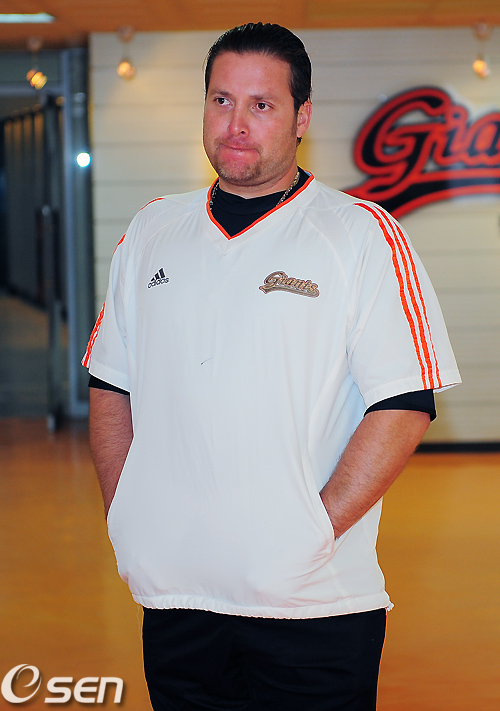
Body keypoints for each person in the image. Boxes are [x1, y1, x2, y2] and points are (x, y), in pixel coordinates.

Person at [83, 22, 460, 711]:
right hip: (177, 600)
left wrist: (311, 534)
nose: (237, 123)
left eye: (262, 105)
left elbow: (405, 402)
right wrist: (127, 515)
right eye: (222, 100)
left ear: (301, 117)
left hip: (312, 607)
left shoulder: (361, 234)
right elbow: (111, 383)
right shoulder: (152, 230)